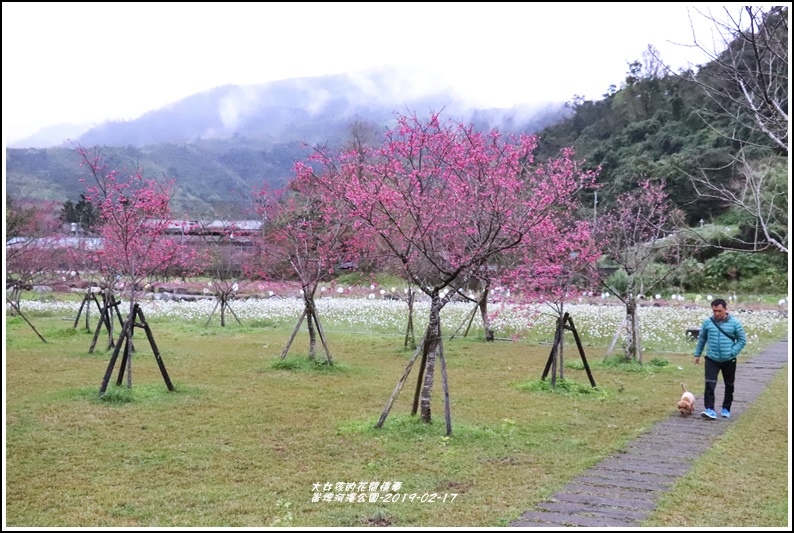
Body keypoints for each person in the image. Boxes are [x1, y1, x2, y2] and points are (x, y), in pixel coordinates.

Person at [693, 298, 747, 419]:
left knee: (729, 384)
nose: (716, 313)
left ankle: (726, 408)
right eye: (714, 311)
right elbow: (702, 339)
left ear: (726, 309)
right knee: (709, 384)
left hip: (729, 359)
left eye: (719, 310)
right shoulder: (707, 322)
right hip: (712, 358)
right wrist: (697, 354)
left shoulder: (735, 323)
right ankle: (710, 409)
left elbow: (742, 340)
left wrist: (732, 352)